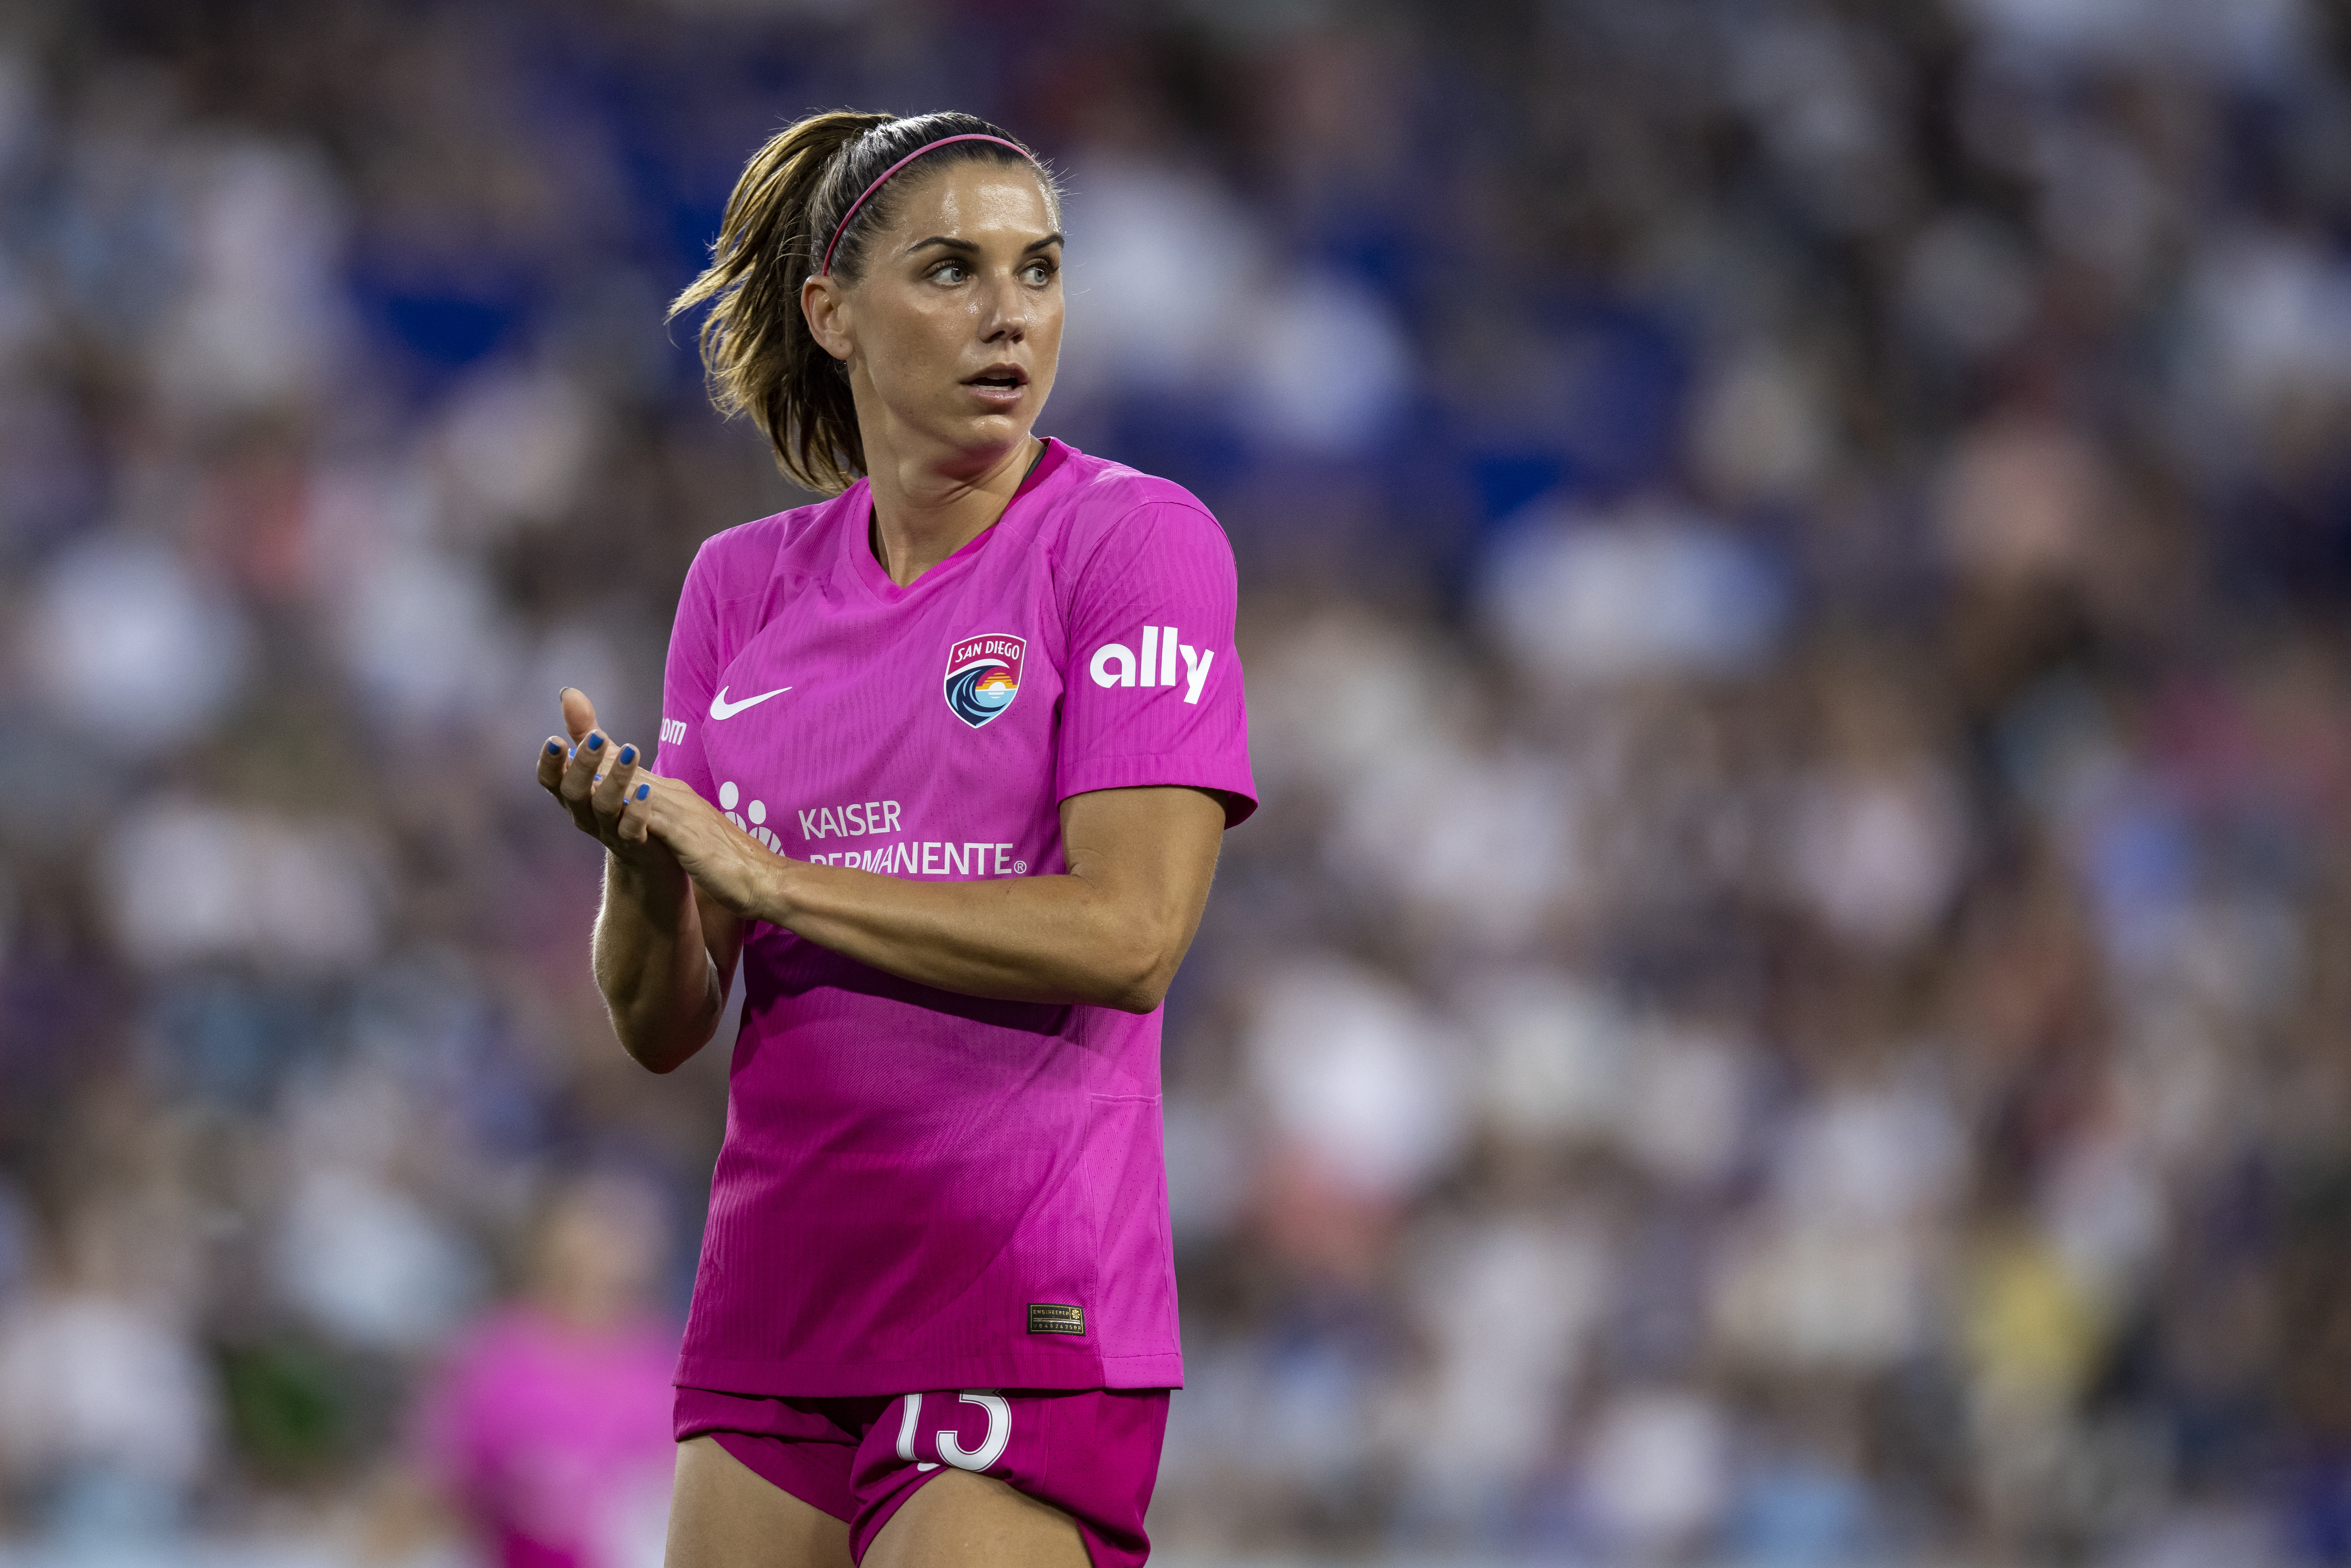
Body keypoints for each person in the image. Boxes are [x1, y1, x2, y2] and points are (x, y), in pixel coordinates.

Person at [534, 109, 1255, 1568]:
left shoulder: (1127, 541)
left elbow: (1130, 935)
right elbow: (665, 1021)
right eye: (949, 270)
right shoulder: (738, 586)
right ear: (832, 313)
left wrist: (776, 877)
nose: (1009, 315)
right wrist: (643, 857)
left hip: (1023, 1289)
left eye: (1038, 269)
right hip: (778, 1292)